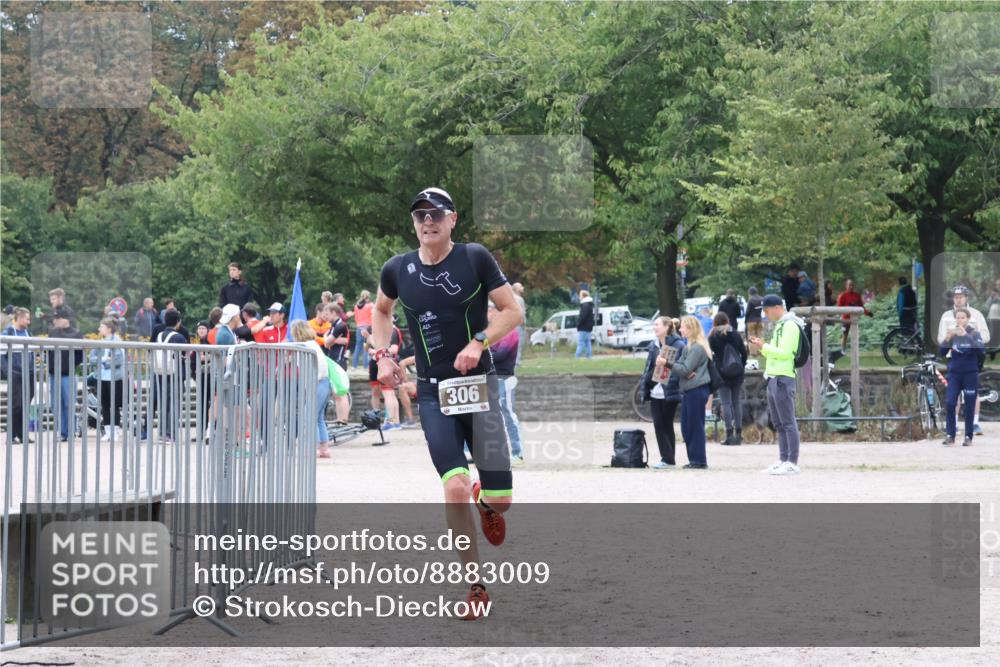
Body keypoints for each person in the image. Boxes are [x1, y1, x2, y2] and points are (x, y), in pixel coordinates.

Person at [373, 186, 519, 620]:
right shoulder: (397, 269)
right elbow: (382, 312)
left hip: (479, 383)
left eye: (436, 214)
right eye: (420, 215)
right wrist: (383, 356)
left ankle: (487, 500)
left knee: (503, 498)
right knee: (452, 485)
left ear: (453, 219)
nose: (427, 221)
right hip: (435, 391)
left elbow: (512, 311)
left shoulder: (474, 257)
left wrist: (479, 342)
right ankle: (476, 586)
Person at [749, 295, 804, 476]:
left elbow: (786, 354)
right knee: (779, 423)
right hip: (773, 377)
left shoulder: (790, 325)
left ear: (778, 307)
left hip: (783, 378)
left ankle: (792, 462)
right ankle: (783, 459)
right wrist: (763, 347)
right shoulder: (780, 325)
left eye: (766, 309)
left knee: (788, 422)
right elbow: (774, 353)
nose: (764, 314)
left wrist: (765, 346)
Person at [937, 286, 990, 436]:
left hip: (971, 357)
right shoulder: (946, 316)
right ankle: (953, 425)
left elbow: (986, 335)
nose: (958, 299)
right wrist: (950, 338)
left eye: (961, 296)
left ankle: (975, 423)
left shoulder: (976, 314)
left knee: (973, 393)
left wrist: (971, 338)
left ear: (967, 298)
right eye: (955, 296)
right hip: (953, 359)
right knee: (953, 395)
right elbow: (941, 338)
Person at [664, 315, 712, 469]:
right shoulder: (687, 347)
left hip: (697, 390)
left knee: (695, 426)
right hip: (689, 390)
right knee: (687, 426)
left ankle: (699, 460)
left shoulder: (697, 348)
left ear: (691, 329)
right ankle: (694, 459)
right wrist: (682, 369)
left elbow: (683, 369)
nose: (681, 330)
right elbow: (682, 367)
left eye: (683, 327)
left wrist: (667, 363)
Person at [642, 316, 685, 468]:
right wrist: (646, 383)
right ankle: (668, 458)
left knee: (665, 425)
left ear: (667, 327)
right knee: (659, 425)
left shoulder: (677, 344)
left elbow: (677, 367)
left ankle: (668, 459)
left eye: (657, 325)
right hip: (655, 390)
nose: (655, 327)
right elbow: (648, 368)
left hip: (670, 391)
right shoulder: (654, 346)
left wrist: (665, 367)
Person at [289, 320, 333, 458]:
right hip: (325, 383)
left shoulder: (304, 347)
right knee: (318, 418)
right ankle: (324, 448)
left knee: (310, 416)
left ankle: (313, 447)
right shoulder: (313, 344)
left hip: (317, 383)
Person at [488, 301, 523, 463]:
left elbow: (500, 355)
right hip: (489, 377)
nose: (487, 314)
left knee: (508, 413)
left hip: (504, 377)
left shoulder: (510, 332)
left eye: (489, 311)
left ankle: (517, 451)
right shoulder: (491, 332)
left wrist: (481, 353)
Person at [708, 312, 747, 446]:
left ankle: (729, 435)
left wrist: (716, 364)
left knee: (726, 403)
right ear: (727, 321)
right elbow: (744, 352)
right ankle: (739, 435)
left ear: (715, 323)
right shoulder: (735, 334)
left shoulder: (713, 336)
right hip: (737, 373)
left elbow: (709, 354)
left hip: (722, 374)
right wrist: (741, 365)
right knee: (737, 402)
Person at [47, 312, 83, 441]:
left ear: (65, 319)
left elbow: (80, 354)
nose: (55, 321)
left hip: (68, 374)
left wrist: (70, 365)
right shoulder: (52, 333)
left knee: (69, 403)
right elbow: (48, 351)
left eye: (57, 318)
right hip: (54, 374)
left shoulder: (76, 334)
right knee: (56, 404)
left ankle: (71, 431)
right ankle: (62, 432)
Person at [89, 317, 126, 442]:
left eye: (102, 326)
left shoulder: (117, 341)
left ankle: (115, 431)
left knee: (114, 405)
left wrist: (104, 363)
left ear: (109, 329)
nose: (99, 329)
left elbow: (119, 360)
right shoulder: (100, 342)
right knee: (104, 405)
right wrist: (105, 360)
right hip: (102, 377)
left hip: (114, 378)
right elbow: (92, 359)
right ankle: (107, 431)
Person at [2, 308, 35, 444]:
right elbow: (1, 354)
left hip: (29, 372)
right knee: (16, 404)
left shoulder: (28, 332)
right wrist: (8, 371)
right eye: (27, 318)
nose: (29, 321)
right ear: (20, 318)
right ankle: (11, 435)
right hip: (15, 372)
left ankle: (22, 434)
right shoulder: (8, 332)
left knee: (26, 403)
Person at [836, 279, 873, 351]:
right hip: (845, 319)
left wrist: (868, 313)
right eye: (849, 285)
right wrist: (847, 308)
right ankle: (842, 350)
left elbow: (861, 307)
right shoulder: (843, 296)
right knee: (845, 335)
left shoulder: (857, 295)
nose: (851, 287)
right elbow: (839, 307)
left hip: (855, 319)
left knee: (855, 335)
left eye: (852, 285)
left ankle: (855, 350)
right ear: (846, 286)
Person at [351, 290, 375, 369]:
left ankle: (354, 366)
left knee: (358, 346)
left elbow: (356, 318)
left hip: (359, 327)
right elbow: (374, 316)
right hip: (368, 327)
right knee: (367, 346)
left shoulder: (356, 306)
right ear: (368, 297)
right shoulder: (371, 305)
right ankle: (366, 365)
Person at [322, 304, 351, 369]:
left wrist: (325, 336)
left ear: (334, 313)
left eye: (327, 314)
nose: (326, 317)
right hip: (333, 359)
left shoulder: (340, 326)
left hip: (339, 361)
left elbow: (326, 343)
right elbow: (327, 344)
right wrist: (336, 340)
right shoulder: (333, 325)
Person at [511, 282, 527, 367]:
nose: (522, 287)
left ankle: (512, 362)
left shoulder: (510, 298)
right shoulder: (520, 299)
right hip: (518, 324)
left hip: (510, 324)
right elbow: (522, 313)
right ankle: (516, 362)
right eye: (521, 286)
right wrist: (524, 323)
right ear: (516, 289)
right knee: (519, 344)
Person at [576, 289, 595, 359]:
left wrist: (578, 324)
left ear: (583, 296)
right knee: (587, 343)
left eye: (580, 295)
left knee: (581, 343)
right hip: (588, 327)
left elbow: (582, 317)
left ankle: (577, 357)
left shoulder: (585, 305)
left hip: (583, 327)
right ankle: (589, 357)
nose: (579, 297)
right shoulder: (589, 305)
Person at [986, 278, 1000, 360]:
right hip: (993, 317)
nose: (998, 286)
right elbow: (987, 305)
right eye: (997, 285)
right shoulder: (994, 294)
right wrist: (991, 297)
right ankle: (992, 355)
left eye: (999, 284)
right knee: (993, 336)